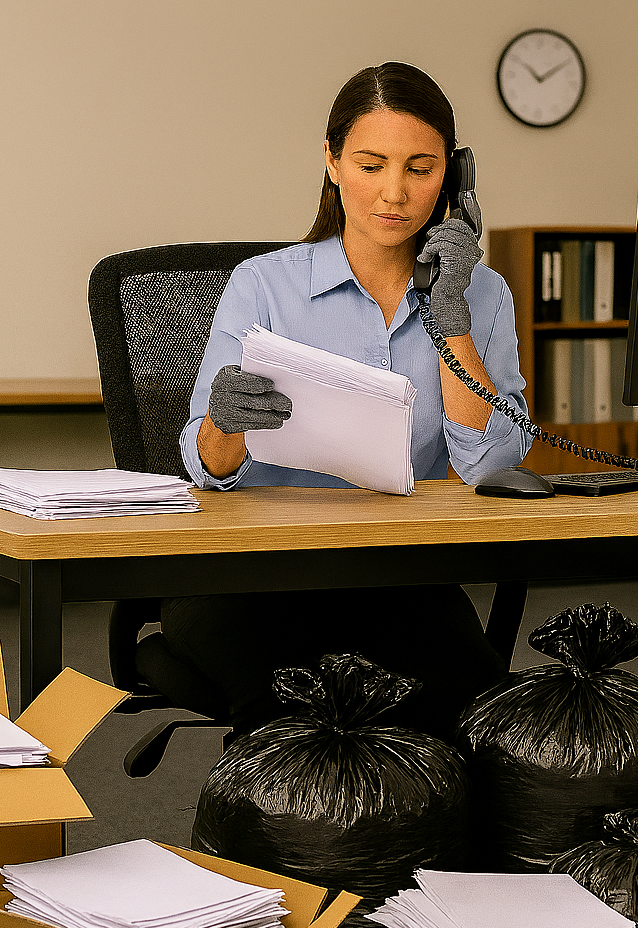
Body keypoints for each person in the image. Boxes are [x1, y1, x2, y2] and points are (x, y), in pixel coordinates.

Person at [159, 62, 532, 741]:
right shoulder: (263, 288)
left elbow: (492, 465)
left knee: (477, 717)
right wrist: (224, 420)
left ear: (454, 176)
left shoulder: (485, 297)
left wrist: (449, 314)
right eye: (370, 164)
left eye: (421, 169)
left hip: (398, 576)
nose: (395, 192)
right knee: (291, 717)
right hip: (252, 578)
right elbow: (204, 466)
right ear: (332, 163)